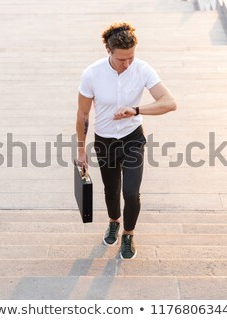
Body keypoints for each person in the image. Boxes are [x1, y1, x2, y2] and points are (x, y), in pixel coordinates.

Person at [76, 22, 176, 259]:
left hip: (132, 139)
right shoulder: (92, 74)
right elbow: (82, 115)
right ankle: (114, 221)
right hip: (105, 141)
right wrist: (81, 150)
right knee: (111, 190)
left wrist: (137, 110)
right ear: (108, 52)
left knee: (131, 192)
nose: (127, 63)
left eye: (131, 56)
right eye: (122, 59)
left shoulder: (143, 69)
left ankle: (128, 234)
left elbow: (169, 102)